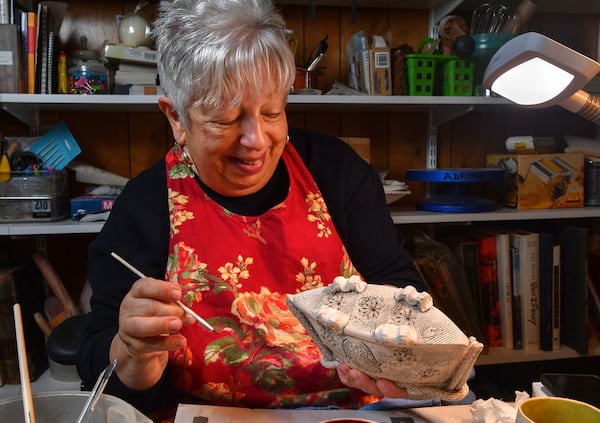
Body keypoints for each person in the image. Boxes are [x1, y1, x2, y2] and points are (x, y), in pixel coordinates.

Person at [76, 0, 427, 417]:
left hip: (350, 412)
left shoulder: (337, 173)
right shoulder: (146, 204)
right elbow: (96, 354)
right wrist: (132, 357)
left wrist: (391, 343)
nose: (256, 140)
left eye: (272, 112)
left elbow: (403, 289)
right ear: (176, 118)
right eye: (226, 119)